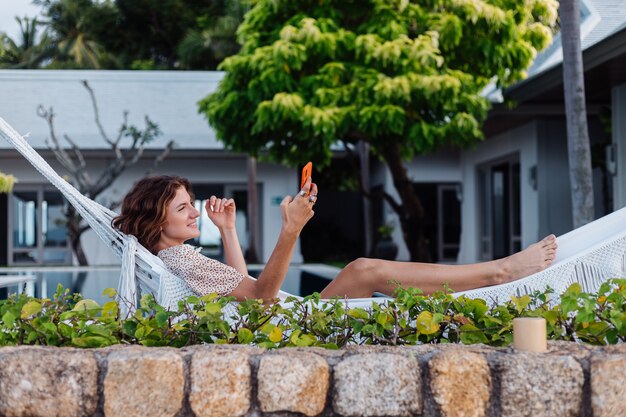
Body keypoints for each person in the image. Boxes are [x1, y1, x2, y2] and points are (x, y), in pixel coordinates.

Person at [112, 175, 557, 301]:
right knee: (364, 269)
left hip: (273, 320)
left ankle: (493, 273)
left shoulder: (177, 259)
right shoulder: (181, 260)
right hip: (283, 326)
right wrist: (291, 230)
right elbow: (262, 298)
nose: (195, 212)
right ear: (156, 221)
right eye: (183, 207)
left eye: (192, 203)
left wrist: (228, 231)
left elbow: (240, 292)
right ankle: (498, 271)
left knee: (365, 271)